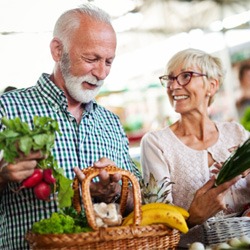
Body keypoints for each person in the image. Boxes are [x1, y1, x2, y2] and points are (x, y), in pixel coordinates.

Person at [0, 4, 141, 249]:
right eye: (91, 59)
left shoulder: (111, 122)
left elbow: (137, 204)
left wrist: (117, 190)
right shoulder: (6, 110)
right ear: (58, 50)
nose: (101, 73)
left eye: (109, 61)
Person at [140, 48, 250, 247]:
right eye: (170, 78)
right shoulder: (156, 144)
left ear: (212, 85)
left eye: (185, 76)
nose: (173, 86)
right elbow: (157, 224)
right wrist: (192, 218)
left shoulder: (238, 133)